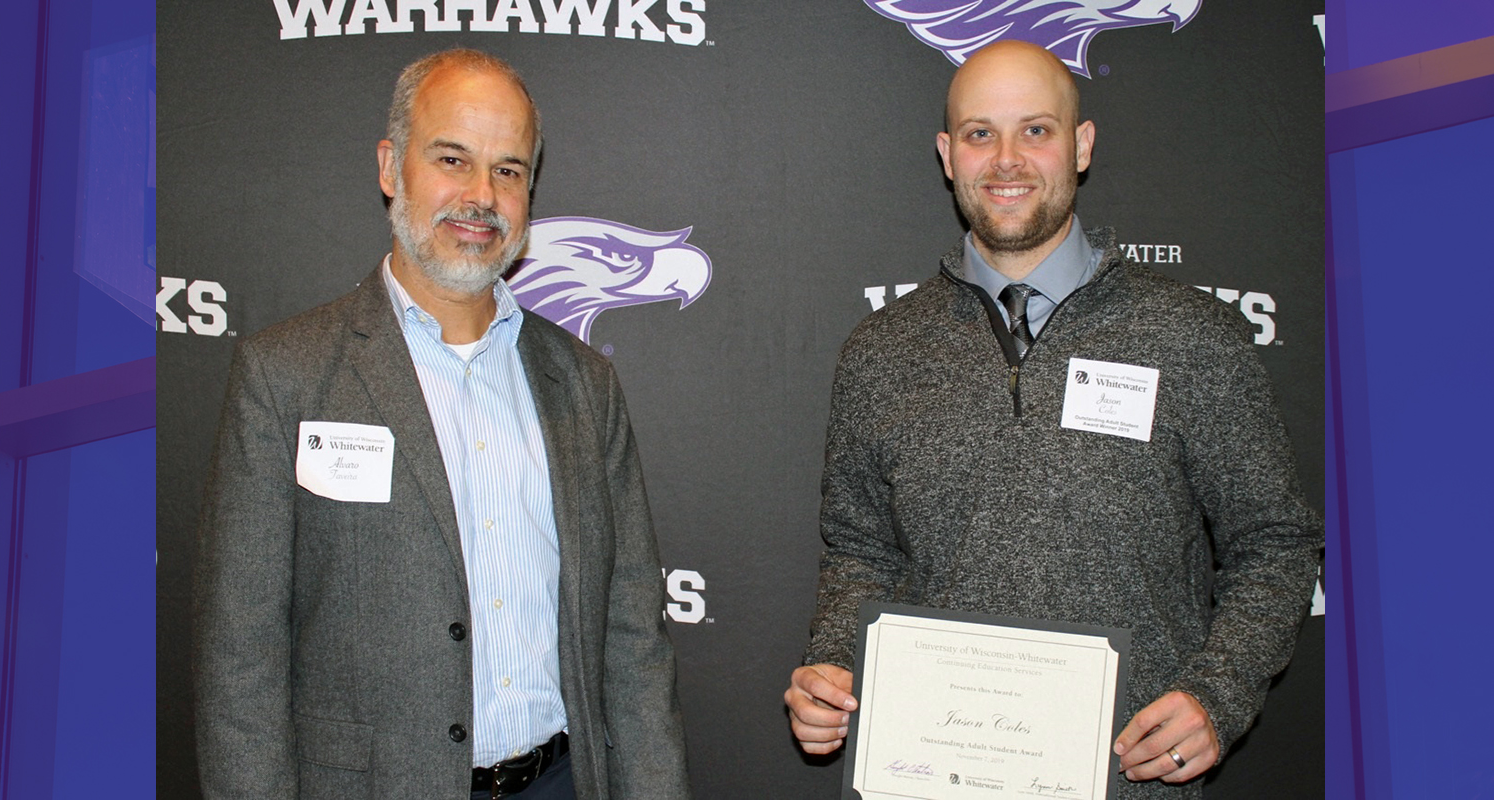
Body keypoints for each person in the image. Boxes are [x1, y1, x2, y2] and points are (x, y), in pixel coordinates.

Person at [784, 40, 1321, 796]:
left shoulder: (1191, 337)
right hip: (931, 771)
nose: (1006, 159)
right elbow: (859, 550)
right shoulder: (881, 349)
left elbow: (1273, 542)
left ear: (1081, 146)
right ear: (947, 154)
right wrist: (836, 662)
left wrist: (1216, 695)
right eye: (979, 133)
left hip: (1127, 778)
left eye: (1035, 129)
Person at [194, 49, 689, 800]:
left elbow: (633, 644)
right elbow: (241, 657)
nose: (481, 196)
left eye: (509, 170)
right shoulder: (284, 375)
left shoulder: (585, 384)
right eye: (452, 158)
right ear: (392, 168)